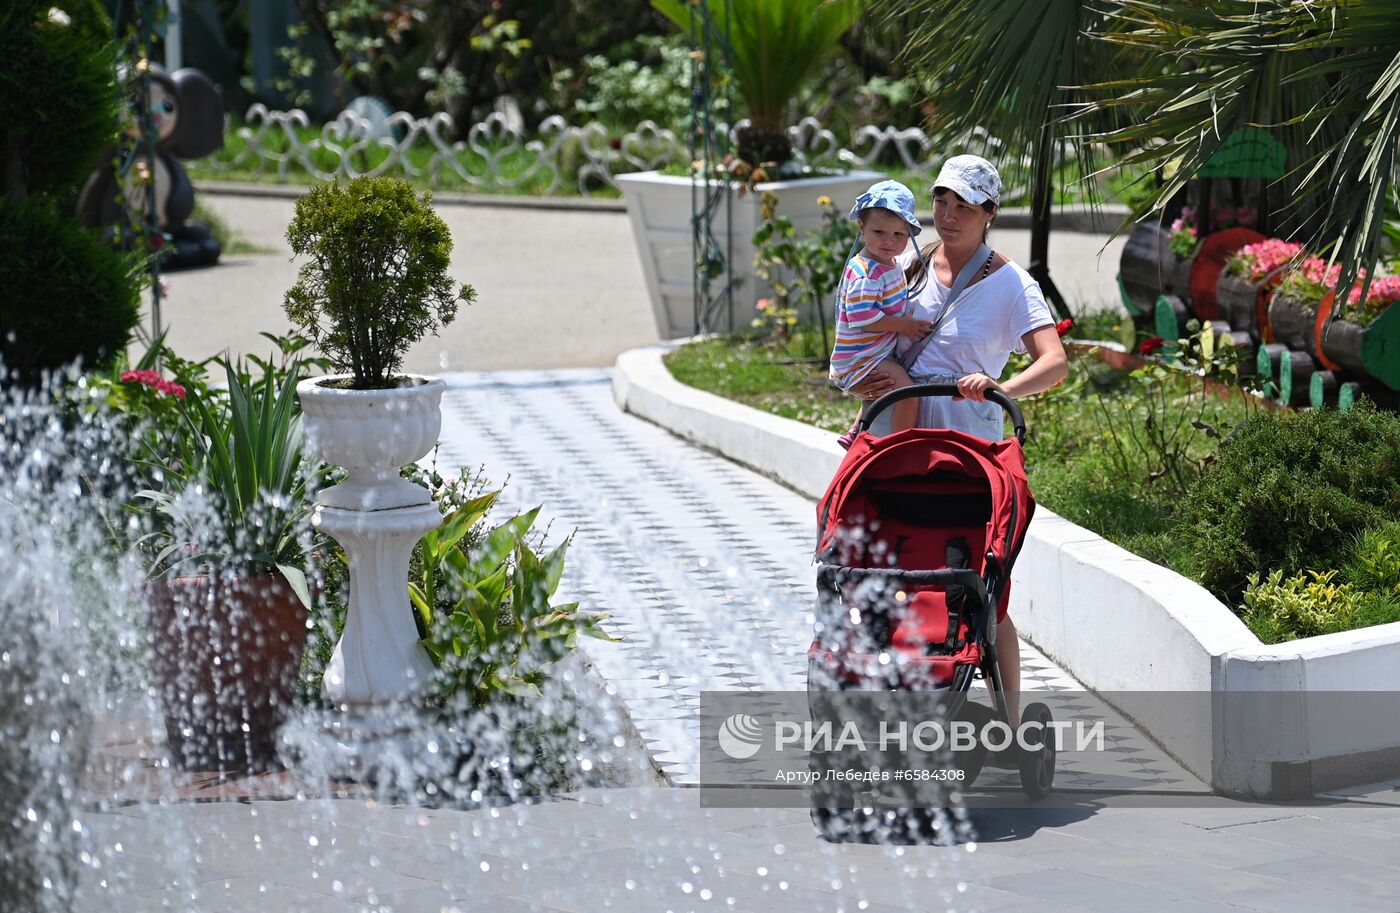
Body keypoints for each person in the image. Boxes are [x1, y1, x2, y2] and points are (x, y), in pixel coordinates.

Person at [848, 154, 1069, 727]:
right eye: (942, 200)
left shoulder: (1012, 284)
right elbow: (872, 334)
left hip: (970, 455)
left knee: (987, 595)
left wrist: (1002, 386)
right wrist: (867, 381)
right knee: (892, 573)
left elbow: (1055, 362)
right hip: (899, 445)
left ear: (990, 214)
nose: (947, 215)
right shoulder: (906, 263)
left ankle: (1012, 725)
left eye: (964, 206)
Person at [828, 180, 934, 441]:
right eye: (879, 232)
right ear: (862, 228)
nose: (889, 242)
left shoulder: (887, 264)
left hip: (870, 353)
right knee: (906, 396)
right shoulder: (866, 273)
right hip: (861, 358)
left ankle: (857, 431)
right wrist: (905, 326)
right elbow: (863, 318)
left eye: (898, 235)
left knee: (885, 387)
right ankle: (897, 446)